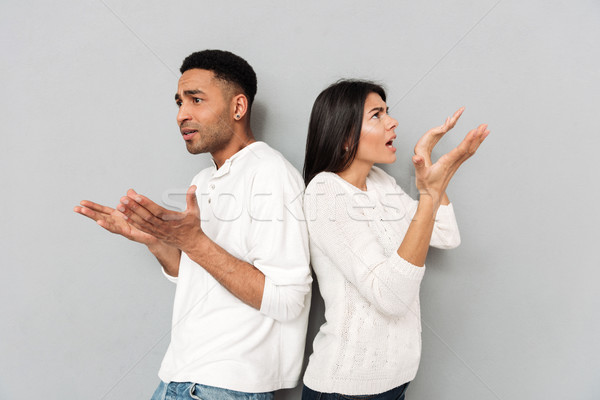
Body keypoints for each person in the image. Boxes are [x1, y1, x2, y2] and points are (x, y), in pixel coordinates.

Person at [73, 50, 312, 400]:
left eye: (196, 100)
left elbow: (288, 300)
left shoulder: (271, 174)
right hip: (181, 378)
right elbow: (199, 278)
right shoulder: (203, 179)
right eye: (179, 102)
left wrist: (194, 241)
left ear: (238, 107)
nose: (181, 115)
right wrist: (155, 240)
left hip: (225, 386)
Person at [301, 80, 489, 399]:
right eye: (377, 115)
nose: (392, 121)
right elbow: (390, 295)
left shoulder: (379, 183)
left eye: (388, 111)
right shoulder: (325, 192)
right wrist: (428, 194)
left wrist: (428, 169)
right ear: (344, 136)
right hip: (347, 389)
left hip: (395, 382)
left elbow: (445, 234)